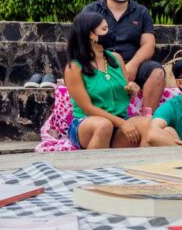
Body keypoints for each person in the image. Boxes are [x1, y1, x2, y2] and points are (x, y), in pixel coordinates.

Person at [82, 0, 165, 115]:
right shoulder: (91, 11)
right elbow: (81, 39)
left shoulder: (141, 12)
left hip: (133, 64)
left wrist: (133, 64)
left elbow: (148, 44)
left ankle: (147, 119)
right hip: (100, 62)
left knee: (157, 72)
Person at [63, 11, 152, 149]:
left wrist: (132, 88)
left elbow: (125, 88)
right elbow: (87, 108)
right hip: (87, 122)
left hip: (120, 118)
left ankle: (138, 166)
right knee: (104, 125)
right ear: (91, 35)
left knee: (150, 126)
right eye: (104, 29)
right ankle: (94, 168)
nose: (109, 32)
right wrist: (122, 124)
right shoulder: (74, 68)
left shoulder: (116, 58)